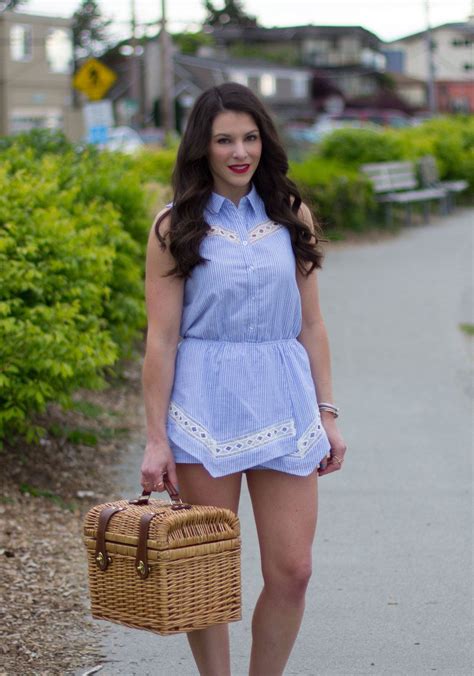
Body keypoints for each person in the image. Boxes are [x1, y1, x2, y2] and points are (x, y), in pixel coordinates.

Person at [140, 82, 347, 676]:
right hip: (204, 407)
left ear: (265, 141)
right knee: (208, 570)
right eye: (224, 139)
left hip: (286, 402)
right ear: (200, 149)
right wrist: (157, 440)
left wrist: (327, 413)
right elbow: (161, 339)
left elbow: (312, 323)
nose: (239, 151)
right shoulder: (175, 226)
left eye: (250, 137)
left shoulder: (291, 215)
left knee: (293, 569)